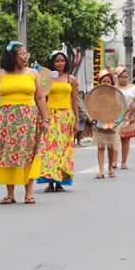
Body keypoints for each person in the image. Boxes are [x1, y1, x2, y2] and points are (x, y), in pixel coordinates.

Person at [0, 41, 47, 205]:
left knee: (28, 154)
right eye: (22, 54)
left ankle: (29, 193)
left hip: (28, 119)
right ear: (12, 57)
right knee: (8, 155)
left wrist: (45, 119)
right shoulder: (0, 75)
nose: (25, 57)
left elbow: (39, 98)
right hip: (6, 121)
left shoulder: (33, 74)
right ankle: (10, 194)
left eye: (26, 53)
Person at [37, 50, 78, 193]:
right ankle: (50, 181)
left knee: (63, 149)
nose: (60, 63)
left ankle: (60, 181)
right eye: (57, 61)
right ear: (52, 63)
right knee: (51, 149)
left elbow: (74, 100)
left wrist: (76, 121)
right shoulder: (47, 78)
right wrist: (43, 118)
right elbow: (42, 98)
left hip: (66, 117)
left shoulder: (71, 79)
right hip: (51, 115)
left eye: (62, 61)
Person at [91, 69, 120, 178]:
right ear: (100, 82)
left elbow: (119, 107)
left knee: (111, 146)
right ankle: (101, 170)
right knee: (101, 146)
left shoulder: (115, 94)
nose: (106, 84)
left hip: (112, 122)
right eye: (104, 81)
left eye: (108, 82)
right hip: (99, 122)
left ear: (111, 83)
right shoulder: (95, 94)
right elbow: (91, 107)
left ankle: (110, 168)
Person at [115, 66, 135, 170]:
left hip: (129, 116)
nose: (124, 79)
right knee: (115, 139)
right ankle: (113, 161)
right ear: (118, 78)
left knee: (126, 139)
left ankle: (124, 162)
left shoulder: (134, 89)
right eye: (121, 77)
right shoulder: (114, 88)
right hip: (116, 116)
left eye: (126, 77)